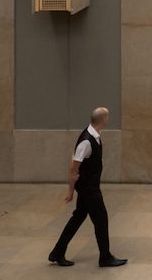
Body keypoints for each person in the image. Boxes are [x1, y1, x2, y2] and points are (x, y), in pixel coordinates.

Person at [49, 106, 126, 267]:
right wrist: (71, 190)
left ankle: (57, 252)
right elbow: (73, 167)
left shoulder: (92, 135)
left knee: (78, 217)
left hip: (87, 186)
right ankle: (105, 257)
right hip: (89, 189)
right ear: (104, 120)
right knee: (101, 220)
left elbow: (75, 156)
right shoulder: (87, 140)